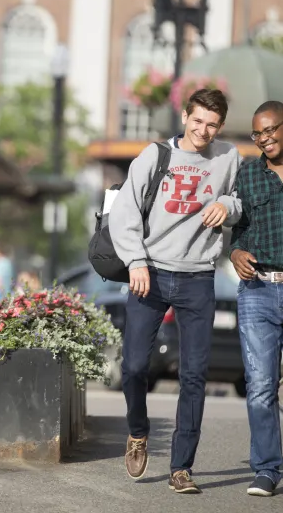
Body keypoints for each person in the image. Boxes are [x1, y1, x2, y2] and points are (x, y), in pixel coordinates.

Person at [109, 89, 242, 494]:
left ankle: (181, 467)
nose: (203, 130)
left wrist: (228, 207)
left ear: (220, 126)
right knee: (133, 367)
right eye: (197, 120)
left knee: (194, 375)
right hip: (150, 273)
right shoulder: (154, 156)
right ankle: (137, 431)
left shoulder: (228, 157)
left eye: (212, 124)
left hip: (198, 276)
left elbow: (240, 199)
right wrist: (135, 261)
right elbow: (125, 212)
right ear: (185, 115)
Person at [230, 100, 283, 497]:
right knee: (261, 386)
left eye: (271, 130)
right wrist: (235, 253)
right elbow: (239, 230)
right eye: (258, 134)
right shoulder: (248, 177)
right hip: (258, 291)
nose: (265, 139)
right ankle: (267, 469)